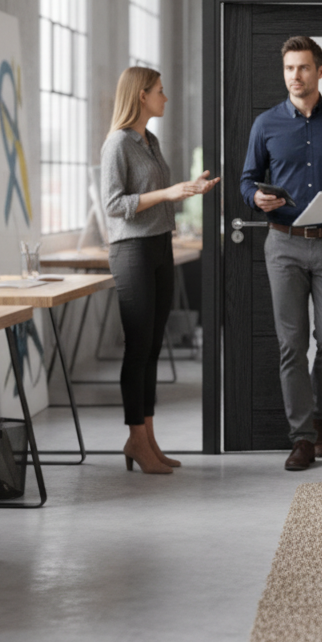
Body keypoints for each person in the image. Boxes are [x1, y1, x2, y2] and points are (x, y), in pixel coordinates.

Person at [240, 36, 322, 472]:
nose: (295, 76)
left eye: (302, 68)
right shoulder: (265, 124)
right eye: (289, 69)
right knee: (291, 344)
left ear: (319, 71)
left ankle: (315, 415)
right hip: (283, 246)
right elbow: (247, 179)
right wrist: (254, 199)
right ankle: (302, 438)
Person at [101, 67, 220, 475]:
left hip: (158, 245)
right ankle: (136, 438)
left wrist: (189, 188)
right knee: (137, 349)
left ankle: (147, 438)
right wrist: (170, 192)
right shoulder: (118, 143)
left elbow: (155, 197)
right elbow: (115, 205)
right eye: (160, 92)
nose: (165, 98)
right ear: (141, 96)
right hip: (131, 250)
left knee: (153, 347)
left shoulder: (149, 141)